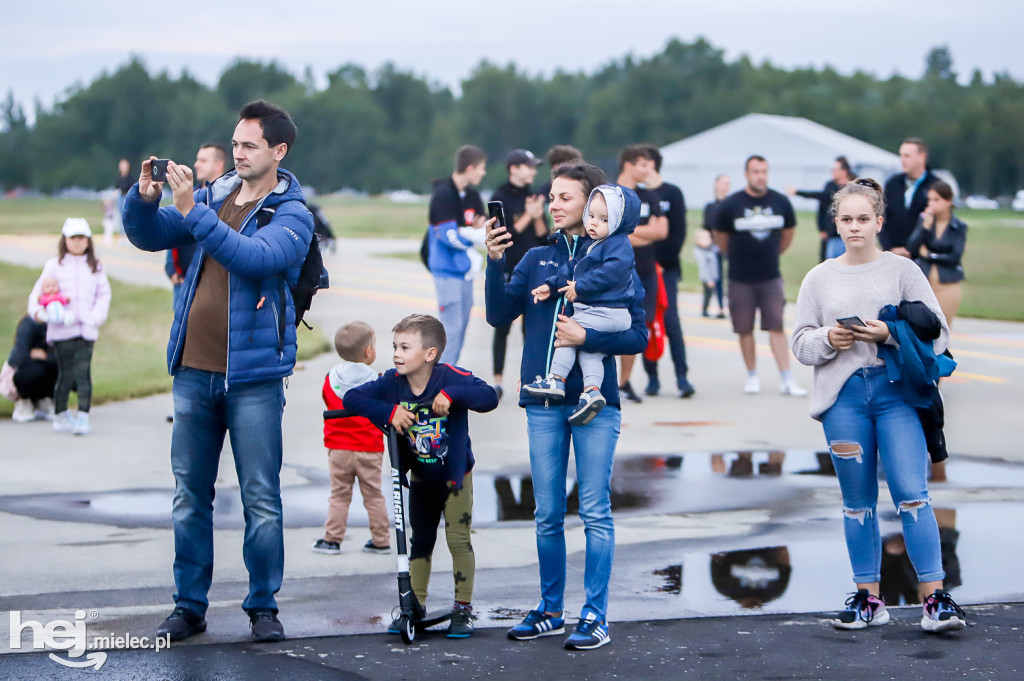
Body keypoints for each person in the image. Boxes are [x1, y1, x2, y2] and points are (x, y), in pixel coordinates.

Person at [122, 99, 314, 643]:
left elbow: (252, 258)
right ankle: (189, 606)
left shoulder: (292, 214)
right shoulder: (216, 193)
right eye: (235, 143)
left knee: (260, 497)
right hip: (192, 371)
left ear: (278, 151)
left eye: (250, 145)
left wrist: (193, 210)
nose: (239, 153)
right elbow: (149, 234)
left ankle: (263, 607)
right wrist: (145, 200)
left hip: (252, 380)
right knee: (188, 496)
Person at [485, 161, 648, 651]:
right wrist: (493, 262)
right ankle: (550, 610)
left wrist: (587, 335)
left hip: (597, 404)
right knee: (546, 511)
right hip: (542, 398)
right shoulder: (536, 257)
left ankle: (595, 614)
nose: (553, 204)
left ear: (594, 205)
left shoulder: (616, 261)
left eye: (564, 197)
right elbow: (498, 314)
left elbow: (638, 335)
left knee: (596, 510)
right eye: (551, 196)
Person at [792, 178, 966, 633]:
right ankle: (869, 599)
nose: (854, 227)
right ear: (836, 222)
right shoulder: (819, 277)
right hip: (842, 399)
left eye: (863, 219)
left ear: (879, 222)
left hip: (896, 395)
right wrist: (829, 338)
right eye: (846, 219)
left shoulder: (902, 271)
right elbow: (800, 344)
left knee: (912, 493)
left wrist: (887, 334)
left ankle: (935, 599)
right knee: (857, 503)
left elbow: (939, 333)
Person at [343, 314, 499, 639]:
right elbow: (352, 398)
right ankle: (414, 606)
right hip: (421, 479)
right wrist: (388, 412)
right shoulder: (391, 382)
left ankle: (462, 609)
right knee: (420, 542)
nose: (397, 354)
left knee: (458, 540)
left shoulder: (450, 376)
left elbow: (488, 397)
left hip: (455, 476)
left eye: (405, 347)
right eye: (394, 347)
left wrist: (453, 395)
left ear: (429, 353)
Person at [523, 184, 639, 425]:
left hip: (609, 311)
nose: (594, 223)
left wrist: (580, 287)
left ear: (619, 221)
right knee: (590, 351)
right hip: (604, 313)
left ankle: (556, 379)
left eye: (605, 219)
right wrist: (552, 286)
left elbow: (611, 273)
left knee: (567, 332)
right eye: (592, 216)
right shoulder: (593, 244)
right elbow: (572, 268)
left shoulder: (619, 245)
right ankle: (592, 392)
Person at [713, 155, 806, 397]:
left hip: (770, 276)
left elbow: (788, 233)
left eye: (764, 171)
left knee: (776, 325)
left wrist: (775, 252)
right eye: (755, 171)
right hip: (739, 277)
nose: (760, 176)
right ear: (746, 174)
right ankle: (752, 376)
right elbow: (720, 237)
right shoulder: (732, 204)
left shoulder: (780, 201)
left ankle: (787, 378)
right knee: (744, 328)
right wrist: (733, 254)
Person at [27, 218, 111, 436]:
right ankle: (61, 414)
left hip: (87, 330)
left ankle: (83, 415)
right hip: (63, 331)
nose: (77, 242)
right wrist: (41, 313)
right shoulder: (54, 265)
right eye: (72, 238)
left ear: (88, 241)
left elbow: (104, 295)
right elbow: (37, 296)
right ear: (65, 240)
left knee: (83, 373)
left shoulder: (95, 266)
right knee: (65, 374)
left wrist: (95, 317)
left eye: (81, 238)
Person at [314, 321, 390, 556]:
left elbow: (328, 400)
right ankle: (381, 540)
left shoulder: (331, 379)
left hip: (339, 448)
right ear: (369, 351)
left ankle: (332, 540)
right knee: (374, 494)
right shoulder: (377, 381)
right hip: (369, 448)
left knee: (339, 495)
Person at [489, 148, 548, 399]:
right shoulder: (500, 196)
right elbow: (505, 234)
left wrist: (536, 216)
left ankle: (531, 376)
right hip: (509, 267)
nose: (533, 171)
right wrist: (528, 215)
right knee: (502, 326)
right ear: (514, 168)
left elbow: (544, 235)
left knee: (531, 325)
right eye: (528, 166)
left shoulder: (534, 195)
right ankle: (498, 380)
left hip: (534, 269)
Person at [615, 144, 667, 403]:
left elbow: (661, 231)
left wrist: (631, 234)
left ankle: (624, 383)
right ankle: (600, 383)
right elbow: (610, 234)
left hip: (645, 272)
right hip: (615, 272)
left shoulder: (650, 197)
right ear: (628, 165)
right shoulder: (611, 195)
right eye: (644, 165)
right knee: (610, 325)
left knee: (637, 327)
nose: (650, 170)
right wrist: (636, 234)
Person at [427, 145, 487, 366]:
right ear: (470, 168)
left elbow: (484, 227)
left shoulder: (471, 194)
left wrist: (468, 232)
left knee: (461, 328)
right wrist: (471, 234)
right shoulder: (444, 194)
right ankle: (439, 380)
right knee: (450, 329)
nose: (483, 173)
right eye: (481, 168)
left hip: (465, 272)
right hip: (447, 271)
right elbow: (448, 236)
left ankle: (449, 374)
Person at [644, 145, 695, 398]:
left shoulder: (672, 193)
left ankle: (682, 377)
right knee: (646, 320)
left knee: (671, 322)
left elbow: (678, 232)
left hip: (667, 269)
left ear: (652, 164)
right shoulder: (636, 194)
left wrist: (665, 261)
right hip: (642, 268)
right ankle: (651, 377)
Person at [165, 143, 227, 311]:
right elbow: (173, 230)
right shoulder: (187, 195)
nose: (196, 164)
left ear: (218, 165)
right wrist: (171, 268)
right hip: (182, 280)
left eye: (203, 160)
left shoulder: (229, 200)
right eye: (197, 159)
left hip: (211, 283)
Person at [906, 180, 966, 329]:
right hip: (924, 283)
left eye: (936, 200)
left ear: (948, 201)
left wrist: (929, 255)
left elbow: (954, 257)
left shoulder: (958, 227)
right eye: (930, 200)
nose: (931, 204)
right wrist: (924, 228)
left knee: (943, 329)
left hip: (947, 283)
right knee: (921, 329)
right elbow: (912, 248)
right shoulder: (925, 220)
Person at [787, 156, 853, 261]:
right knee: (827, 262)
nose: (833, 172)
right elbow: (822, 202)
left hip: (850, 231)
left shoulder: (854, 186)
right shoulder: (830, 185)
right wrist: (822, 228)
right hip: (832, 231)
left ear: (844, 171)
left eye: (835, 170)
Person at [882, 138, 939, 258]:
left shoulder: (935, 185)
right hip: (893, 255)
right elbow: (882, 218)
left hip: (923, 258)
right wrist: (890, 248)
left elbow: (940, 223)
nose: (902, 160)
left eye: (907, 156)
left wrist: (914, 250)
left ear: (922, 157)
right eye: (901, 155)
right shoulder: (892, 184)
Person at [2, 315, 57, 422]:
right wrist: (32, 355)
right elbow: (18, 357)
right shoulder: (28, 323)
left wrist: (45, 357)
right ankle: (24, 400)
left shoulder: (60, 324)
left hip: (47, 367)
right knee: (30, 372)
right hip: (25, 370)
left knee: (63, 368)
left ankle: (45, 399)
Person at [702, 174, 731, 316]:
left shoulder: (732, 204)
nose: (725, 186)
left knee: (731, 277)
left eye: (727, 183)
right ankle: (709, 306)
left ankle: (725, 306)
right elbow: (706, 227)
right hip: (713, 246)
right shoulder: (710, 207)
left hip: (729, 247)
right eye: (723, 183)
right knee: (713, 277)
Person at [693, 229, 724, 318]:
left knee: (719, 293)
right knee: (708, 294)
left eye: (709, 238)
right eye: (704, 238)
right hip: (707, 278)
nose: (708, 240)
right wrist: (708, 279)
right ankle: (705, 309)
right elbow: (703, 267)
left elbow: (720, 249)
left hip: (716, 276)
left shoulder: (712, 248)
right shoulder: (699, 252)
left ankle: (720, 309)